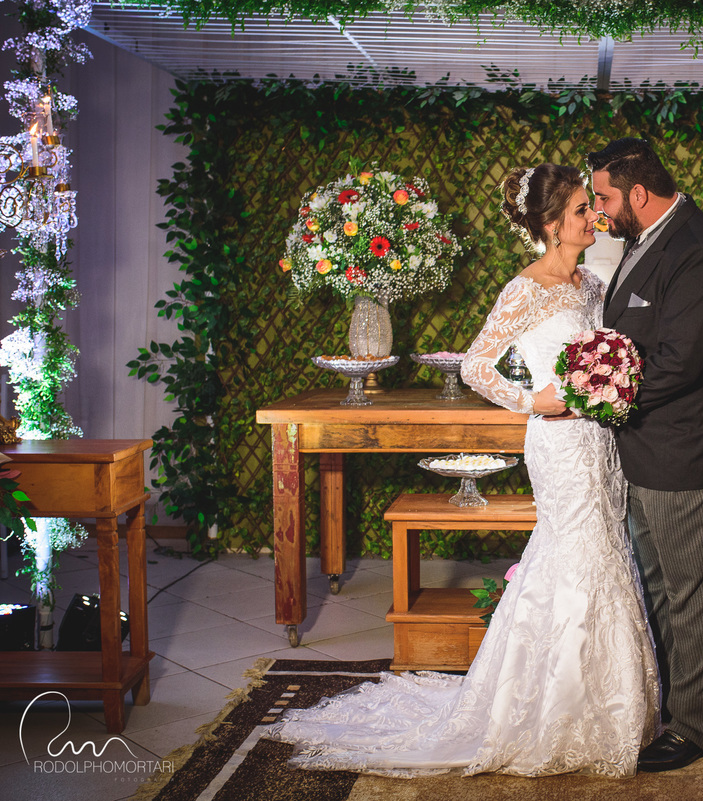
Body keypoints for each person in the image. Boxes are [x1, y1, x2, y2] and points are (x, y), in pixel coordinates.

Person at [265, 163, 659, 778]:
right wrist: (533, 401)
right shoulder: (524, 288)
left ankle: (607, 704)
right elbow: (477, 365)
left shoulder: (591, 283)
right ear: (551, 224)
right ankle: (551, 710)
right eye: (582, 209)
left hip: (602, 441)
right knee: (572, 553)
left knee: (608, 549)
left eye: (591, 206)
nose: (594, 217)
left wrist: (613, 386)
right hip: (560, 444)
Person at [587, 138, 703, 773]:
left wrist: (597, 397)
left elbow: (679, 363)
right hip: (645, 452)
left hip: (687, 456)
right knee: (654, 587)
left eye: (604, 198)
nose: (599, 210)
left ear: (638, 193)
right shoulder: (645, 239)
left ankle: (694, 728)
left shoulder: (698, 250)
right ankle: (663, 704)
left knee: (694, 594)